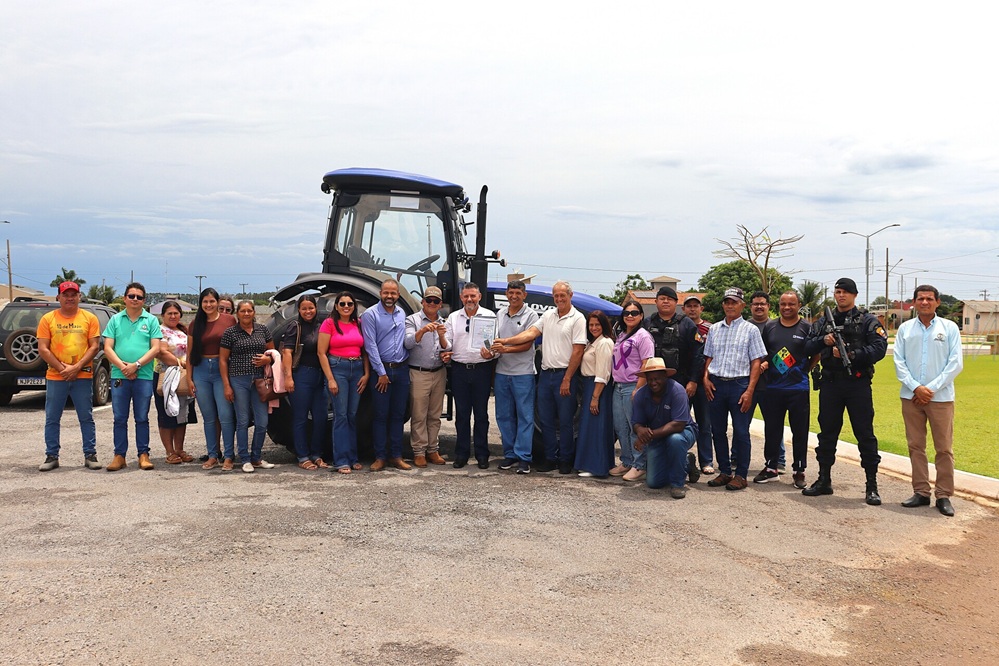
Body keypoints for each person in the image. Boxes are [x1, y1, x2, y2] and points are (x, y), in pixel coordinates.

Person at [802, 277, 888, 505]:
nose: (841, 295)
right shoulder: (823, 322)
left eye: (846, 292)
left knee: (865, 434)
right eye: (838, 291)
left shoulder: (867, 321)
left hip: (857, 384)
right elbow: (807, 346)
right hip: (831, 385)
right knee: (827, 433)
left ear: (854, 295)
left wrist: (853, 355)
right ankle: (824, 480)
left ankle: (871, 485)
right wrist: (825, 340)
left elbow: (880, 348)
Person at [493, 280, 586, 474]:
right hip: (545, 374)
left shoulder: (578, 318)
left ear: (570, 295)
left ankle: (565, 460)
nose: (559, 299)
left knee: (566, 420)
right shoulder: (549, 315)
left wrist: (568, 378)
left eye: (562, 295)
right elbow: (531, 333)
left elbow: (578, 351)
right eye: (556, 295)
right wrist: (507, 341)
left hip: (564, 374)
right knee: (546, 420)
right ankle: (550, 458)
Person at [894, 284, 963, 517]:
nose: (925, 302)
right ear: (913, 302)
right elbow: (899, 363)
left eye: (929, 298)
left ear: (937, 302)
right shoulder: (905, 329)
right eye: (920, 298)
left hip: (940, 398)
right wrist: (916, 387)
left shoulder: (949, 328)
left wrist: (929, 389)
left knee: (943, 448)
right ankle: (921, 492)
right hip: (910, 397)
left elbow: (955, 364)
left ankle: (943, 495)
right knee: (915, 446)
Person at [702, 287, 766, 491]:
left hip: (740, 385)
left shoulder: (751, 330)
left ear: (742, 305)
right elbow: (709, 356)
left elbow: (756, 362)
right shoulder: (714, 329)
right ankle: (725, 471)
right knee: (718, 431)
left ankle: (741, 475)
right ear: (723, 304)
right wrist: (705, 378)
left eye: (734, 302)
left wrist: (749, 390)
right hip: (716, 385)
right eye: (727, 302)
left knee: (740, 432)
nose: (730, 305)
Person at [37, 281, 102, 472]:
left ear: (79, 296)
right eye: (66, 294)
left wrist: (76, 367)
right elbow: (43, 348)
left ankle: (90, 454)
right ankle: (51, 456)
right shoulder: (47, 319)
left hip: (82, 375)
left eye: (74, 294)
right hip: (56, 376)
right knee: (52, 418)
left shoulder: (89, 318)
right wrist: (62, 368)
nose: (70, 298)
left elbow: (94, 346)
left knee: (86, 416)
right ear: (58, 297)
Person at [644, 286, 704, 483]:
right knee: (654, 422)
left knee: (678, 427)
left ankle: (684, 462)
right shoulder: (647, 323)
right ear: (656, 302)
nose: (665, 302)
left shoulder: (686, 324)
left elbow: (697, 355)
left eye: (670, 299)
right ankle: (668, 462)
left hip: (680, 383)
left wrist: (693, 381)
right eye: (662, 298)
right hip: (652, 383)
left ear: (676, 302)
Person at [754, 291, 812, 488]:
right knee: (772, 429)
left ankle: (799, 470)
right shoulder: (770, 326)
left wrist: (804, 370)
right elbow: (763, 354)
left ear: (799, 305)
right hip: (773, 388)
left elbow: (816, 353)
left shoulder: (806, 327)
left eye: (791, 304)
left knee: (800, 430)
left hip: (798, 388)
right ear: (778, 306)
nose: (787, 307)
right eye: (783, 304)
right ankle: (771, 468)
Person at [103, 281, 163, 472]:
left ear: (144, 300)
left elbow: (155, 348)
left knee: (142, 417)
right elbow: (107, 348)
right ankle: (119, 456)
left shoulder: (151, 320)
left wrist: (136, 365)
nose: (135, 299)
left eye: (139, 297)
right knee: (119, 417)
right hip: (119, 375)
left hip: (143, 375)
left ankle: (143, 455)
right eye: (131, 296)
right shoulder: (115, 320)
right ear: (125, 299)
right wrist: (123, 367)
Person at [444, 282, 497, 469]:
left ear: (479, 297)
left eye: (473, 296)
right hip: (459, 370)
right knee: (462, 415)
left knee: (481, 415)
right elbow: (447, 344)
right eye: (466, 296)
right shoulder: (452, 318)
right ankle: (461, 454)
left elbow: (495, 345)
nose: (469, 299)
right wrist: (444, 348)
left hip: (482, 369)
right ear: (461, 297)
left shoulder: (489, 316)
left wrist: (491, 353)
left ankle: (482, 454)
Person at [360, 280, 411, 471]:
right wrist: (380, 372)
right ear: (380, 293)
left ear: (398, 295)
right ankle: (380, 456)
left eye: (393, 293)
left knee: (398, 415)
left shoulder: (401, 313)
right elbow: (370, 345)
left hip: (401, 370)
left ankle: (396, 456)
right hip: (382, 372)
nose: (390, 297)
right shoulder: (370, 314)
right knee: (381, 415)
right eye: (386, 293)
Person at [220, 300, 276, 473]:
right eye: (242, 311)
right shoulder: (230, 333)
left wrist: (268, 360)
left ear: (253, 312)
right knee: (243, 420)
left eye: (249, 311)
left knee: (262, 421)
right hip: (239, 379)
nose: (246, 314)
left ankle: (257, 457)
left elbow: (273, 353)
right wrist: (227, 386)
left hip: (260, 380)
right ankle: (245, 458)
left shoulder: (263, 330)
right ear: (237, 313)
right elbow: (222, 360)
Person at [318, 291, 370, 473]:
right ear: (336, 306)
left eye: (349, 304)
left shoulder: (359, 323)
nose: (346, 307)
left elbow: (365, 351)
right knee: (340, 416)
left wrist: (366, 373)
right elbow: (321, 353)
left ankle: (353, 457)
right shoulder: (329, 323)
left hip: (356, 370)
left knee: (351, 415)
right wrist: (330, 378)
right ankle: (341, 460)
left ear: (354, 306)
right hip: (337, 369)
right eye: (342, 304)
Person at [632, 358, 699, 499]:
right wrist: (640, 431)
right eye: (650, 379)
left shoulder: (677, 390)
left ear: (665, 376)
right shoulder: (640, 395)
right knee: (654, 482)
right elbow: (636, 422)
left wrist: (647, 437)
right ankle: (686, 461)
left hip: (684, 431)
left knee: (675, 440)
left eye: (657, 378)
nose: (653, 382)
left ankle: (677, 484)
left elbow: (678, 424)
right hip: (657, 436)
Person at [492, 281, 540, 474]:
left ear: (524, 295)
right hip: (502, 373)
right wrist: (489, 350)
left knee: (525, 417)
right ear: (506, 294)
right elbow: (492, 339)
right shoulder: (500, 314)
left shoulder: (531, 315)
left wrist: (505, 348)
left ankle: (523, 457)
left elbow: (528, 344)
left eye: (518, 293)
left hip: (523, 374)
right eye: (511, 292)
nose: (514, 296)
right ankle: (510, 454)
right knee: (504, 416)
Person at [188, 288, 237, 470]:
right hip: (201, 371)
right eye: (205, 302)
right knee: (209, 417)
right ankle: (212, 455)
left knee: (225, 415)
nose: (208, 305)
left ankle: (229, 456)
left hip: (221, 369)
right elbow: (190, 353)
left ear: (217, 302)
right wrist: (190, 378)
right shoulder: (195, 324)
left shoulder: (229, 320)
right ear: (201, 304)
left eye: (212, 301)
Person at [281, 294, 329, 470]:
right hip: (302, 376)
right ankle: (302, 456)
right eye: (304, 308)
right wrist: (288, 377)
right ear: (299, 310)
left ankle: (316, 454)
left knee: (321, 417)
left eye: (311, 308)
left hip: (320, 376)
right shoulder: (295, 327)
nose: (308, 311)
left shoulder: (321, 326)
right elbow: (287, 353)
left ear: (316, 308)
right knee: (300, 418)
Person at [608, 298, 655, 479]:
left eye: (634, 313)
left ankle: (640, 464)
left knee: (635, 427)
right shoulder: (621, 335)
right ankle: (627, 461)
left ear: (641, 315)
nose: (629, 316)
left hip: (633, 386)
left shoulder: (643, 336)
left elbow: (647, 363)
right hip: (618, 386)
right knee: (621, 426)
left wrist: (638, 388)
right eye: (626, 313)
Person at [404, 286, 450, 468]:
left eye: (436, 301)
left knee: (434, 415)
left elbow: (447, 347)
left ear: (440, 304)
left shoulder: (444, 322)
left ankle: (433, 449)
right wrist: (422, 331)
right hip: (419, 372)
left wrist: (446, 348)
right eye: (428, 300)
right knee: (419, 414)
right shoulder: (412, 320)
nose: (432, 304)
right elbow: (407, 343)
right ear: (422, 301)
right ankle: (419, 451)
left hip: (438, 372)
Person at [153, 300, 197, 464]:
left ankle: (179, 449)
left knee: (182, 414)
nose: (173, 316)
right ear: (163, 315)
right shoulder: (159, 331)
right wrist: (183, 363)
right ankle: (169, 451)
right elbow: (161, 352)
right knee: (166, 414)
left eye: (176, 313)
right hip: (166, 376)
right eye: (169, 313)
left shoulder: (183, 331)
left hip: (183, 377)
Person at [574, 311, 615, 478]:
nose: (594, 328)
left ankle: (597, 467)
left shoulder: (604, 343)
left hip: (598, 387)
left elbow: (603, 373)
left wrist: (595, 397)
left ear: (604, 325)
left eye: (597, 324)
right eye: (591, 325)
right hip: (589, 385)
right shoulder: (593, 343)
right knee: (590, 427)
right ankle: (590, 464)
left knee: (597, 427)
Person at [682, 294, 714, 474]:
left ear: (701, 308)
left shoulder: (711, 328)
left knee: (704, 423)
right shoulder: (679, 326)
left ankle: (706, 461)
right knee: (680, 422)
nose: (692, 309)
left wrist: (705, 378)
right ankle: (683, 458)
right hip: (682, 381)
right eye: (689, 306)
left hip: (703, 382)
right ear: (683, 309)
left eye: (696, 306)